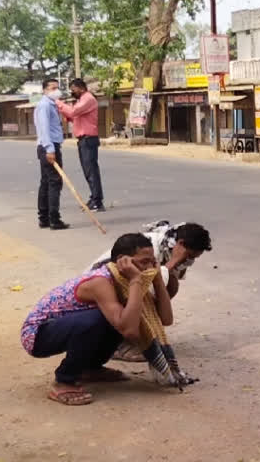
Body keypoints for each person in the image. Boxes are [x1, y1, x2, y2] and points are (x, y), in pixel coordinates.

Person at [21, 233, 173, 405]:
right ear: (123, 261)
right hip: (39, 335)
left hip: (67, 326)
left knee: (122, 315)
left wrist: (158, 279)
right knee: (102, 320)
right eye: (144, 262)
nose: (148, 268)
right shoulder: (101, 281)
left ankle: (89, 368)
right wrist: (136, 280)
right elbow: (129, 330)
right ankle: (63, 381)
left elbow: (166, 319)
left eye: (152, 262)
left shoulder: (127, 281)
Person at [88, 220, 212, 362]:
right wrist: (173, 262)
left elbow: (166, 316)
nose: (189, 261)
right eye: (189, 256)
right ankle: (120, 343)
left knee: (171, 283)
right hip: (106, 294)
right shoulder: (148, 249)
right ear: (181, 244)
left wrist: (165, 270)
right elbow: (142, 283)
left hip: (128, 289)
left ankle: (137, 333)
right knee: (146, 294)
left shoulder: (168, 248)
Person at [56, 78, 106, 212]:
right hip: (83, 139)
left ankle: (97, 201)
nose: (72, 92)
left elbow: (73, 112)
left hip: (88, 139)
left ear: (81, 88)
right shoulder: (81, 100)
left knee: (91, 171)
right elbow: (74, 116)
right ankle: (94, 197)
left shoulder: (87, 99)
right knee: (88, 171)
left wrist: (58, 103)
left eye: (73, 90)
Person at [34, 78, 69, 230]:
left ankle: (44, 218)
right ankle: (53, 219)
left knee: (46, 182)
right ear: (45, 90)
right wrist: (49, 149)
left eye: (57, 88)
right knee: (54, 182)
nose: (56, 91)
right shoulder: (44, 105)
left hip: (49, 146)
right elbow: (44, 128)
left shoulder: (51, 105)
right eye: (52, 88)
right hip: (48, 146)